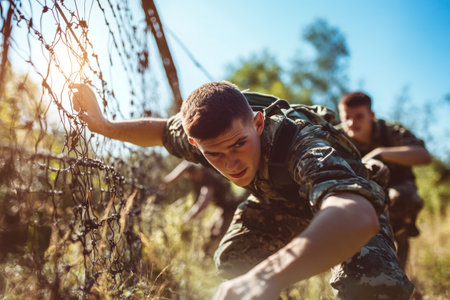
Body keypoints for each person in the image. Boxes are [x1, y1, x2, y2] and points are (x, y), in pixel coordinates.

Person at [71, 81, 413, 299]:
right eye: (214, 155)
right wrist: (105, 126)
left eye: (239, 144)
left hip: (347, 198)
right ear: (195, 145)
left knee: (370, 285)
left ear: (258, 123)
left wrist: (265, 278)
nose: (231, 164)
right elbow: (161, 131)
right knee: (236, 261)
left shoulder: (302, 142)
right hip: (279, 205)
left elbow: (357, 214)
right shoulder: (199, 138)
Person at [337, 91, 432, 270]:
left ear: (371, 116)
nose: (351, 123)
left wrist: (381, 153)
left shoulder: (389, 131)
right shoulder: (337, 137)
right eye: (347, 117)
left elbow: (424, 156)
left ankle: (400, 265)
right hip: (358, 191)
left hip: (397, 191)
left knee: (400, 202)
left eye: (359, 117)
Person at [161, 160, 245, 252]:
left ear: (199, 171)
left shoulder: (209, 180)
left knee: (218, 233)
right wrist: (165, 182)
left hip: (231, 208)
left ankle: (219, 255)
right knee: (210, 231)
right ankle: (208, 254)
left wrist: (185, 219)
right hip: (222, 208)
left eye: (193, 174)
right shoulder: (201, 172)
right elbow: (185, 165)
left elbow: (202, 205)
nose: (193, 178)